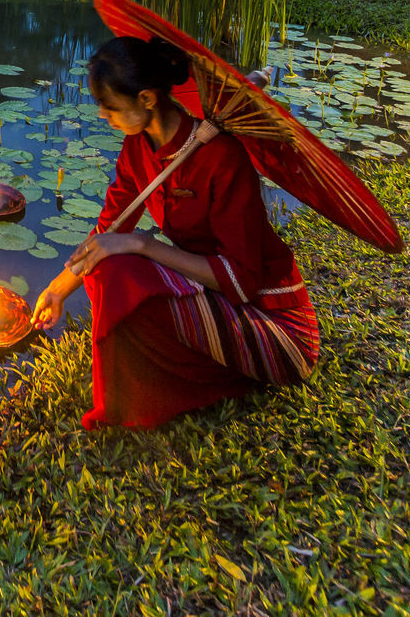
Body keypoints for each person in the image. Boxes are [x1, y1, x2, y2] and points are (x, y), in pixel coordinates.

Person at [29, 35, 319, 428]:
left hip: (275, 328)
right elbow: (108, 229)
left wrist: (143, 244)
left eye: (110, 107)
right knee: (107, 267)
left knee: (123, 265)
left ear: (147, 99)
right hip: (216, 300)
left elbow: (242, 279)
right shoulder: (138, 149)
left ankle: (174, 385)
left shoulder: (221, 158)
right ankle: (152, 381)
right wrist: (58, 288)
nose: (103, 116)